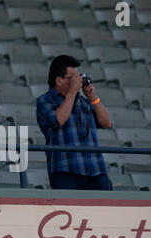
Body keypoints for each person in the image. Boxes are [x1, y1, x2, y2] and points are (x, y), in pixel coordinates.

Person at [36, 55, 113, 190]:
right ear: (59, 80)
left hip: (95, 169)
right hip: (66, 169)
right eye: (74, 78)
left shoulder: (84, 102)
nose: (78, 81)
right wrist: (72, 92)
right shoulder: (45, 101)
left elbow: (106, 123)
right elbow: (58, 120)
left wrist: (93, 98)